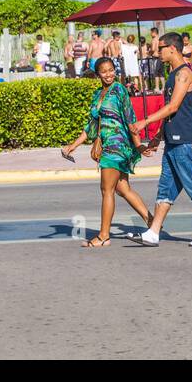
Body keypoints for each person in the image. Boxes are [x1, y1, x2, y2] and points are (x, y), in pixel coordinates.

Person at [130, 32, 192, 247]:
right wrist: (158, 137)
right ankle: (153, 232)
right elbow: (172, 114)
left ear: (173, 48)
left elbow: (172, 107)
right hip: (173, 138)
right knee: (166, 187)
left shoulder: (184, 74)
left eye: (161, 47)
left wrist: (144, 122)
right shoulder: (173, 75)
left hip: (185, 139)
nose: (157, 51)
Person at [61, 57, 153, 247]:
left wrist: (138, 144)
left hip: (117, 145)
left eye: (111, 70)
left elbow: (130, 116)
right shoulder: (98, 95)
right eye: (104, 71)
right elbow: (91, 126)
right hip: (107, 145)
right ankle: (153, 223)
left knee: (106, 190)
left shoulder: (118, 89)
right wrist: (74, 145)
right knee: (122, 188)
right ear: (98, 74)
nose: (109, 74)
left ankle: (104, 236)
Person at [147, 27, 164, 94]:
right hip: (161, 57)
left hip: (156, 58)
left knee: (156, 73)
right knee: (161, 73)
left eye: (151, 32)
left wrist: (148, 52)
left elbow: (153, 49)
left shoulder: (154, 39)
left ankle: (157, 87)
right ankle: (163, 87)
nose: (150, 34)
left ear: (154, 32)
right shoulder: (160, 39)